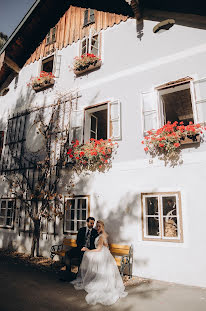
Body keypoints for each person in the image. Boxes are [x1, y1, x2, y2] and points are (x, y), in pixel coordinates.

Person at [71, 220, 128, 306]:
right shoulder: (104, 234)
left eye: (99, 226)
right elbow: (105, 246)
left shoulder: (101, 236)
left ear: (102, 227)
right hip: (105, 253)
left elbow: (98, 249)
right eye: (96, 226)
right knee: (90, 257)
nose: (97, 228)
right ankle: (92, 275)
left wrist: (88, 250)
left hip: (102, 253)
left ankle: (91, 277)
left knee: (87, 254)